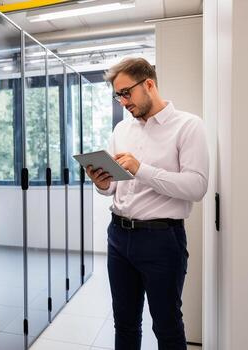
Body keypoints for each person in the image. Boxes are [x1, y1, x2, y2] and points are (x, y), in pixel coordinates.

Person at [86, 58, 209, 349]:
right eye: (118, 95)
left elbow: (196, 187)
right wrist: (103, 183)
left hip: (162, 240)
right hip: (118, 237)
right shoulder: (121, 130)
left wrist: (141, 169)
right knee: (125, 324)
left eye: (126, 93)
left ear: (149, 85)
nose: (123, 101)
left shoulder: (188, 126)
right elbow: (116, 186)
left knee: (166, 326)